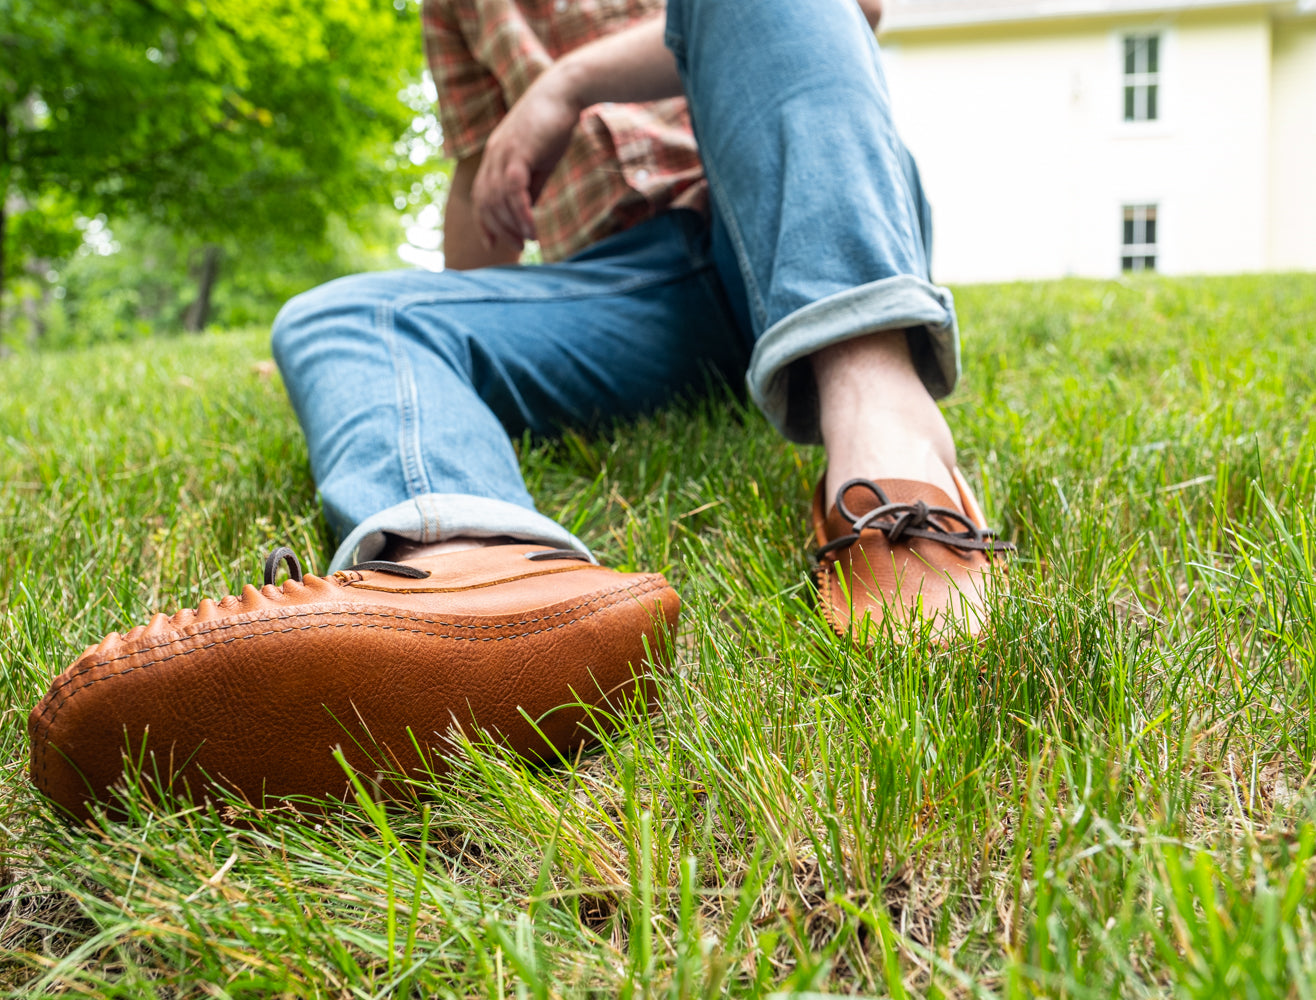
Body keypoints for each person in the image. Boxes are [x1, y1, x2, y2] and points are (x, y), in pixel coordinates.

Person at [270, 0, 1011, 637]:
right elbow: (478, 169)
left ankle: (878, 405)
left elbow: (842, 13)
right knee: (344, 316)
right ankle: (478, 574)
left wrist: (566, 85)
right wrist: (462, 333)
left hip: (799, 220)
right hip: (628, 290)